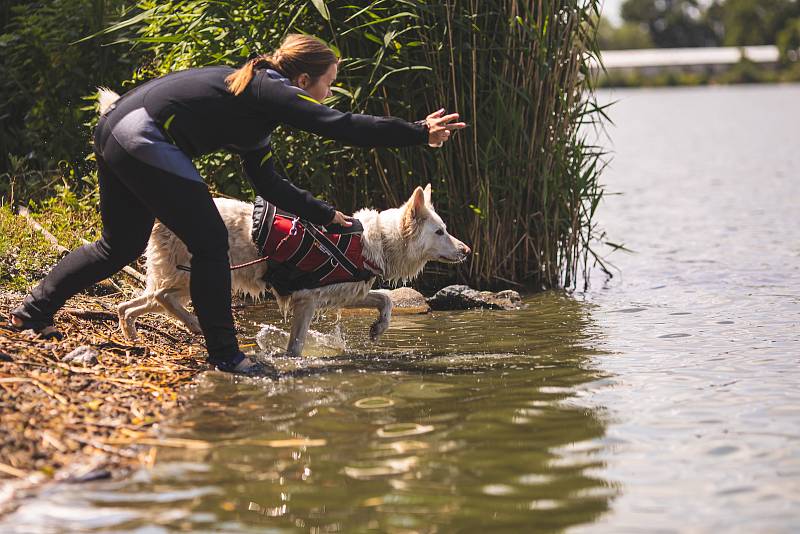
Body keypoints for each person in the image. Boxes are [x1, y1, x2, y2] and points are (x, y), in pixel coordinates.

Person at [8, 34, 465, 374]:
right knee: (208, 240)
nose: (329, 94)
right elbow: (341, 125)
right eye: (329, 84)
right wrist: (417, 131)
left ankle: (33, 312)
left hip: (118, 132)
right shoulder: (271, 90)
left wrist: (325, 214)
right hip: (141, 136)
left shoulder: (257, 110)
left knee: (118, 246)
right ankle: (227, 356)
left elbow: (268, 181)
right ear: (303, 80)